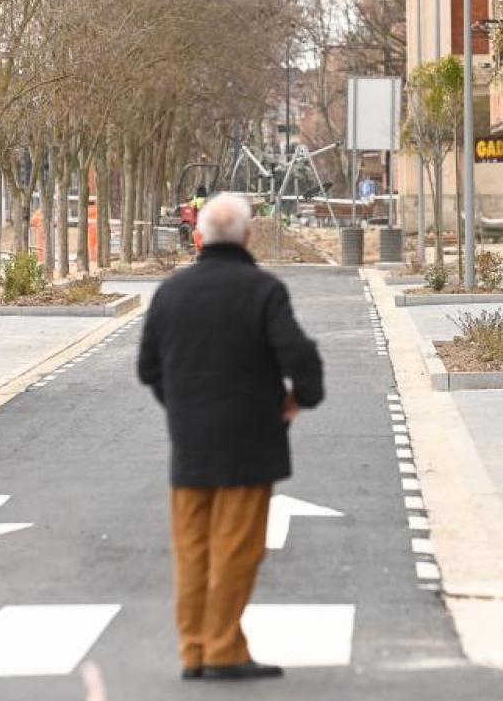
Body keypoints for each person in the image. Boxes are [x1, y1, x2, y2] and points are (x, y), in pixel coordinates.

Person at [137, 193, 324, 680]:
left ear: (199, 237)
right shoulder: (263, 291)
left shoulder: (170, 293)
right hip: (250, 443)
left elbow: (148, 367)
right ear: (246, 235)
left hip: (190, 446)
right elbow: (301, 360)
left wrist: (180, 405)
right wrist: (297, 400)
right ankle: (223, 648)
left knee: (192, 550)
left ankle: (194, 648)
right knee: (236, 550)